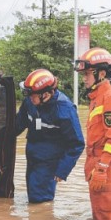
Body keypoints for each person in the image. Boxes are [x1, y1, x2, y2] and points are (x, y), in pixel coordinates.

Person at [74, 47, 111, 220]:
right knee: (100, 219)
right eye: (83, 74)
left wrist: (102, 167)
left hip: (108, 168)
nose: (84, 78)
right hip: (98, 166)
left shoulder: (110, 97)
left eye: (87, 74)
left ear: (102, 73)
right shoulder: (97, 97)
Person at [15, 69, 85, 203]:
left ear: (46, 94)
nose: (29, 97)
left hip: (49, 162)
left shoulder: (64, 110)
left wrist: (62, 170)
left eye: (32, 95)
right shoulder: (30, 102)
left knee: (40, 201)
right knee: (33, 195)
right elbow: (17, 125)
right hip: (32, 156)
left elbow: (77, 144)